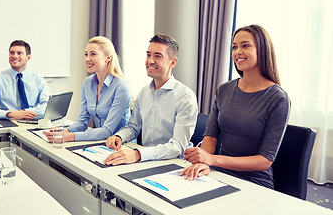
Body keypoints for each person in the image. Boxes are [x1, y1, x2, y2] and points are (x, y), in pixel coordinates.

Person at [180, 25, 290, 189]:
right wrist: (205, 162)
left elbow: (264, 161)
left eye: (245, 45)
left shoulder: (278, 98)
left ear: (263, 49)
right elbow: (210, 137)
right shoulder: (223, 90)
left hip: (254, 181)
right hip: (219, 173)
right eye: (234, 47)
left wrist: (212, 159)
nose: (237, 51)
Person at [104, 34, 198, 165]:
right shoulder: (143, 92)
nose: (150, 61)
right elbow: (133, 126)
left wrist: (138, 154)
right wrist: (119, 136)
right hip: (146, 160)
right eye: (148, 55)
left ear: (173, 62)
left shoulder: (185, 97)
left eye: (157, 56)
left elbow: (177, 146)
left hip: (174, 165)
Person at [44, 36, 132, 142]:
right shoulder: (87, 83)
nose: (87, 59)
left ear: (108, 58)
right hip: (99, 142)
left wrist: (69, 137)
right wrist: (65, 131)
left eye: (93, 54)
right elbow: (82, 122)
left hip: (121, 145)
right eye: (86, 54)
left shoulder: (122, 87)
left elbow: (107, 131)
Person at [0, 40, 50, 120]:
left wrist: (24, 113)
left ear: (28, 57)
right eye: (12, 53)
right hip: (9, 123)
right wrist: (10, 114)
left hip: (33, 122)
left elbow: (49, 108)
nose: (14, 56)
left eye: (19, 53)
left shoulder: (38, 79)